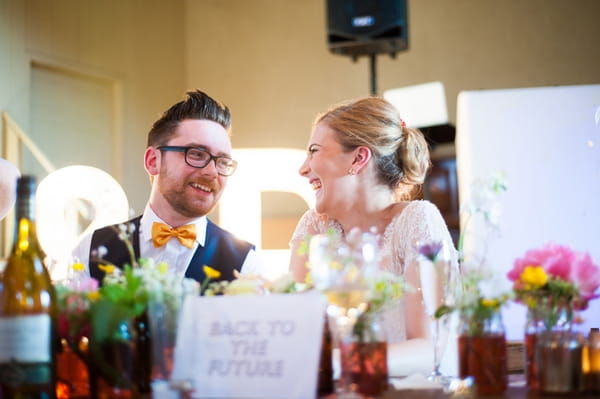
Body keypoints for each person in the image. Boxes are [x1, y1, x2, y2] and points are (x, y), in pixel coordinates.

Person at [289, 96, 458, 376]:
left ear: (358, 158)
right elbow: (294, 332)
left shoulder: (418, 221)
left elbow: (431, 348)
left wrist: (337, 364)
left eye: (314, 151)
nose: (303, 168)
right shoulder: (312, 227)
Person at [73, 89, 258, 284]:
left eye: (222, 162)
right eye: (196, 154)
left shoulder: (247, 265)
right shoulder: (88, 251)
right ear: (153, 161)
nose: (212, 172)